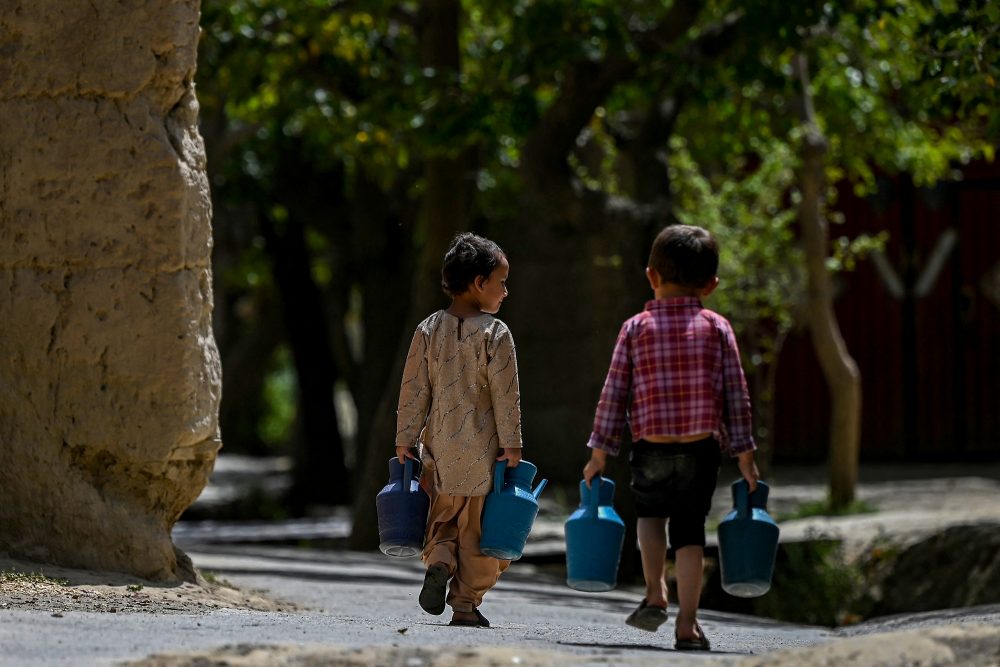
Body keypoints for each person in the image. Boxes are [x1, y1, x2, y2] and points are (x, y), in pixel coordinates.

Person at [582, 224, 760, 651]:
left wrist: (599, 453)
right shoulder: (718, 329)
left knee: (650, 518)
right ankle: (687, 623)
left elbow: (613, 394)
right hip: (701, 449)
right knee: (691, 533)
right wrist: (745, 454)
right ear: (711, 285)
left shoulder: (634, 328)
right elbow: (737, 396)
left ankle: (655, 589)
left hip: (651, 446)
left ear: (652, 276)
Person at [395, 231, 523, 628]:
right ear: (479, 283)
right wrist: (513, 444)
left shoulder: (428, 329)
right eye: (501, 283)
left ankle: (439, 562)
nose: (505, 291)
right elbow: (506, 395)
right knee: (479, 535)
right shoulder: (496, 334)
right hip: (484, 457)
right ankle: (465, 604)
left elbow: (414, 389)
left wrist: (405, 439)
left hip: (440, 453)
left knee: (443, 522)